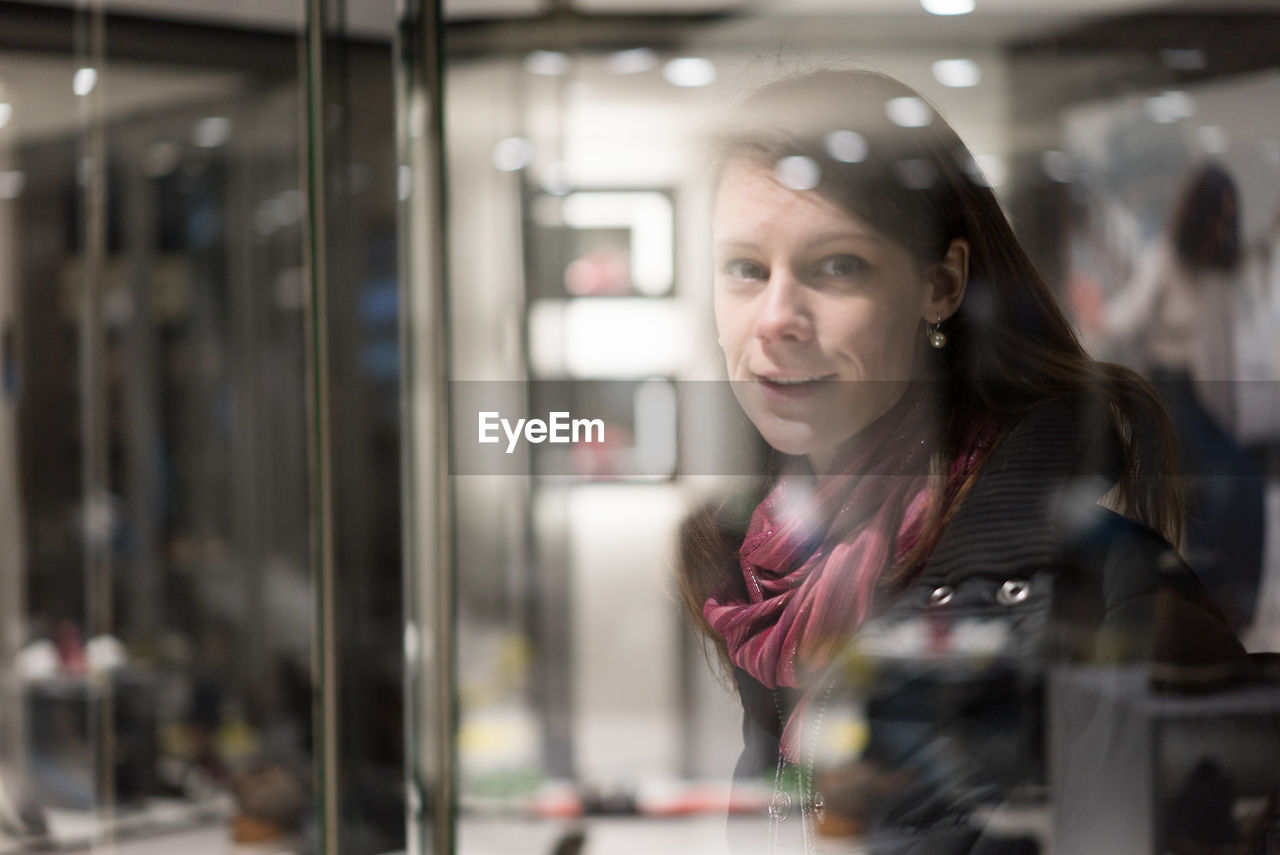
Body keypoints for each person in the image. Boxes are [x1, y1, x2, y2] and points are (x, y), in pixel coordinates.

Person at [677, 70, 1263, 854]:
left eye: (836, 265)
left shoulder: (1104, 598)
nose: (777, 318)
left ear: (941, 284)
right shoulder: (773, 594)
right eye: (746, 268)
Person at [1074, 164, 1265, 634]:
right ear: (1198, 214)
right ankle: (1198, 607)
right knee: (1216, 488)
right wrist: (1096, 311)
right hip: (1166, 394)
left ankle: (1228, 607)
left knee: (1240, 484)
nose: (1222, 226)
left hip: (1192, 395)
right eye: (1216, 216)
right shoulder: (1163, 258)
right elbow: (1123, 318)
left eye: (1228, 218)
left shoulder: (1212, 269)